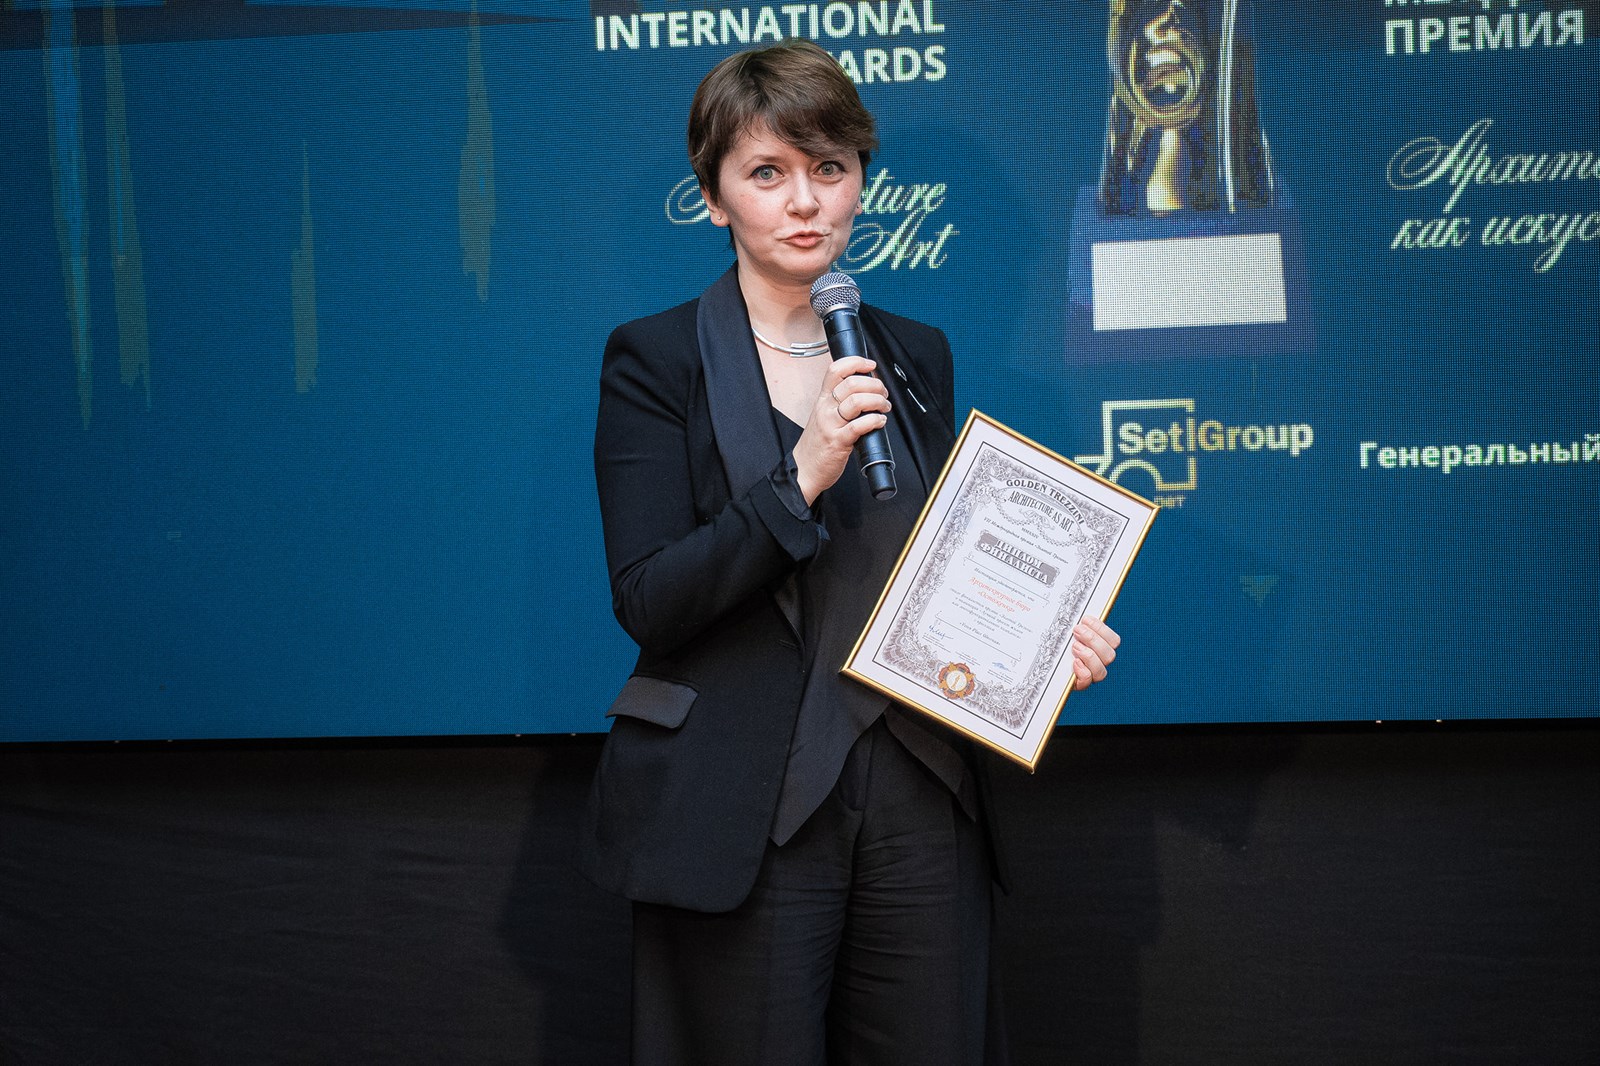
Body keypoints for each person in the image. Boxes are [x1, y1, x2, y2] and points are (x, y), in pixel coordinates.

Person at [578, 39, 1122, 1066]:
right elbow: (650, 598)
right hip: (748, 800)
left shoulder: (913, 352)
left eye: (829, 168)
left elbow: (937, 567)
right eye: (767, 172)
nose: (805, 202)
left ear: (860, 183)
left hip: (921, 784)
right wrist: (801, 475)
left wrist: (1043, 641)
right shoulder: (655, 359)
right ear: (713, 197)